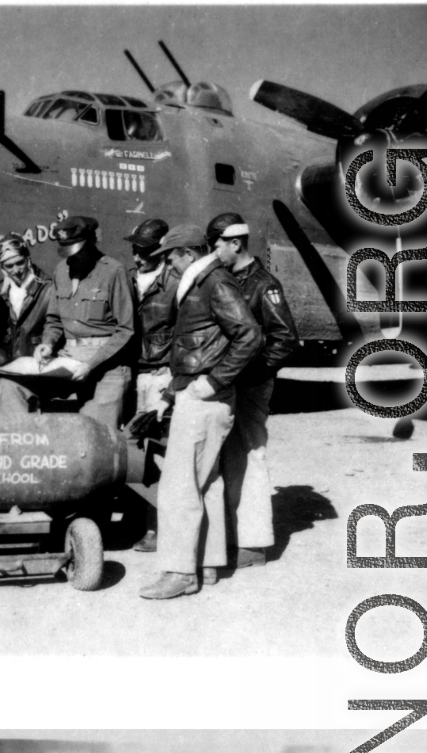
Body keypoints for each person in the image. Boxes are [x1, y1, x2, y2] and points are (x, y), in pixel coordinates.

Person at [139, 224, 263, 601]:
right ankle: (207, 564)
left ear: (190, 254)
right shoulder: (202, 281)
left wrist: (214, 381)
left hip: (206, 397)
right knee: (205, 482)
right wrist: (171, 395)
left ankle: (179, 572)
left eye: (171, 257)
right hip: (196, 394)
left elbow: (250, 335)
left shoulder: (213, 283)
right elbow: (195, 347)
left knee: (178, 486)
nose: (169, 265)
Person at [209, 212, 299, 568]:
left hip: (249, 383)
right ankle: (233, 535)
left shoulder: (264, 283)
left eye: (217, 244)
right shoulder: (226, 279)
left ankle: (254, 543)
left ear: (235, 243)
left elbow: (285, 339)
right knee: (228, 457)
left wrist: (253, 373)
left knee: (250, 454)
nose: (214, 252)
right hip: (227, 381)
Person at [33, 214, 134, 431]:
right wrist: (48, 343)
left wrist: (91, 364)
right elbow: (54, 320)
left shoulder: (113, 271)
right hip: (69, 359)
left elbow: (126, 330)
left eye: (77, 249)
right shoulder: (61, 270)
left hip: (106, 365)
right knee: (15, 388)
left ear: (91, 242)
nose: (72, 258)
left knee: (96, 431)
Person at [123, 217, 180, 551]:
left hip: (160, 374)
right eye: (134, 249)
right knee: (134, 451)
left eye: (144, 251)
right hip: (133, 373)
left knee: (159, 452)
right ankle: (137, 521)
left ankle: (157, 527)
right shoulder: (129, 280)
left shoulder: (174, 282)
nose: (137, 257)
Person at [0, 234, 52, 412]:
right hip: (7, 373)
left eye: (19, 263)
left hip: (39, 373)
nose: (16, 270)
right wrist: (6, 366)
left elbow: (55, 328)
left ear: (28, 259)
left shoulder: (48, 289)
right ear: (2, 268)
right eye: (9, 266)